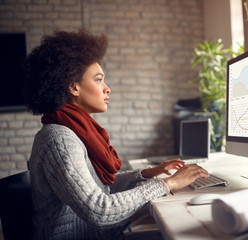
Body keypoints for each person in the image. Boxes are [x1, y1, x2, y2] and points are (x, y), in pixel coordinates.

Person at [24, 29, 209, 240]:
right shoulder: (60, 140)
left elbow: (99, 186)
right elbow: (100, 210)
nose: (107, 88)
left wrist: (148, 173)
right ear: (73, 87)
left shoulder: (72, 129)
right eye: (98, 80)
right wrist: (168, 184)